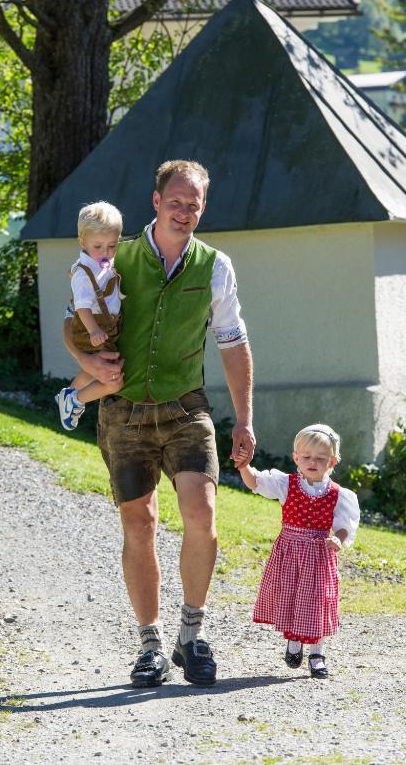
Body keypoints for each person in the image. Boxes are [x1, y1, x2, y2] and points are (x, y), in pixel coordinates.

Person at [63, 160, 255, 688]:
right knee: (139, 523)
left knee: (203, 511)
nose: (185, 211)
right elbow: (70, 322)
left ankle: (190, 636)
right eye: (176, 200)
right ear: (155, 201)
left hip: (185, 408)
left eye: (194, 204)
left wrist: (244, 419)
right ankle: (149, 643)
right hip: (123, 410)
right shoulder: (113, 254)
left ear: (203, 208)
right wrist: (90, 365)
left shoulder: (215, 265)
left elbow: (233, 342)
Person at [234, 424, 359, 679]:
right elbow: (256, 482)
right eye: (306, 457)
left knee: (317, 603)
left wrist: (339, 539)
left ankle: (317, 653)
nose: (313, 462)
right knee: (291, 597)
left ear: (332, 461)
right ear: (296, 458)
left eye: (321, 458)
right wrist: (243, 466)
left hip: (319, 556)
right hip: (289, 554)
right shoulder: (286, 484)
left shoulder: (338, 495)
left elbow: (346, 525)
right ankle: (293, 641)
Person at [56, 201, 124, 430]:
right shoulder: (84, 274)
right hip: (89, 328)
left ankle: (68, 395)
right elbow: (82, 307)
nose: (106, 253)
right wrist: (94, 330)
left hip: (103, 326)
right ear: (82, 242)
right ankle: (76, 400)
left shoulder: (102, 262)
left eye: (112, 246)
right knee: (112, 380)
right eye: (98, 246)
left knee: (91, 369)